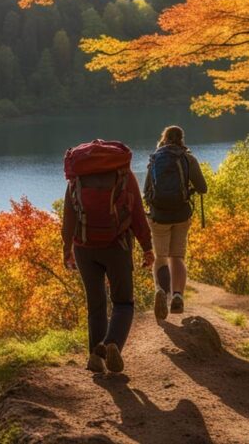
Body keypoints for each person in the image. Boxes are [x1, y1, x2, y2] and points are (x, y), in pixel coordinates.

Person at [63, 139, 154, 374]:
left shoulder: (77, 177)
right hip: (117, 246)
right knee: (123, 302)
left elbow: (69, 217)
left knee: (96, 304)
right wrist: (147, 246)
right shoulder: (123, 174)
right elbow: (136, 214)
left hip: (84, 247)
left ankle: (95, 356)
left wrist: (66, 249)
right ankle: (112, 343)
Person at [144, 125, 208, 321]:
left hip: (159, 216)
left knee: (161, 257)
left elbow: (146, 191)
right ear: (182, 139)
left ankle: (161, 291)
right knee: (177, 256)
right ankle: (178, 295)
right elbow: (203, 188)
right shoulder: (188, 158)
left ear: (164, 138)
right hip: (181, 215)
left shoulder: (155, 158)